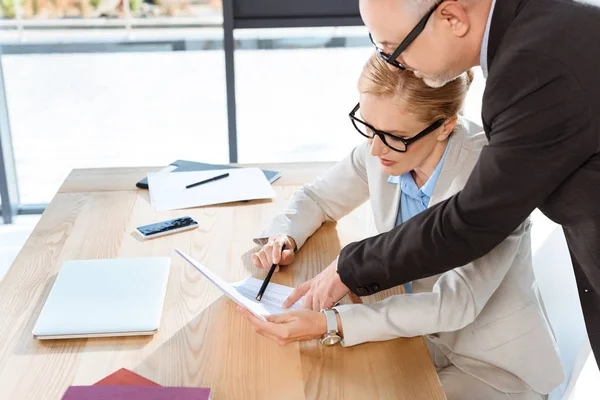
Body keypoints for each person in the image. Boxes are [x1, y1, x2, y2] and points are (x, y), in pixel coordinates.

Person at [285, 0, 600, 367]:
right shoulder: (546, 29)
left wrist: (350, 267)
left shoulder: (532, 69)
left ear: (452, 17)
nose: (396, 66)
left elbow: (473, 220)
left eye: (394, 49)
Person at [240, 53, 564, 400]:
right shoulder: (386, 147)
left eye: (393, 135)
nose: (376, 148)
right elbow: (319, 197)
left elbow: (454, 304)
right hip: (413, 341)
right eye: (369, 126)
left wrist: (331, 322)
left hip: (490, 367)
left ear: (445, 125)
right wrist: (285, 235)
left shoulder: (492, 176)